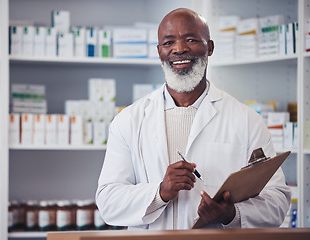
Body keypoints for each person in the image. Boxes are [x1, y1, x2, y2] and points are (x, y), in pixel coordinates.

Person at [95, 8, 291, 230]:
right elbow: (108, 202)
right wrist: (160, 192)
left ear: (210, 48)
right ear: (159, 51)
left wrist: (231, 214)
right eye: (168, 43)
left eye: (190, 39)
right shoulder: (129, 120)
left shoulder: (245, 120)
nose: (179, 49)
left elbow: (277, 201)